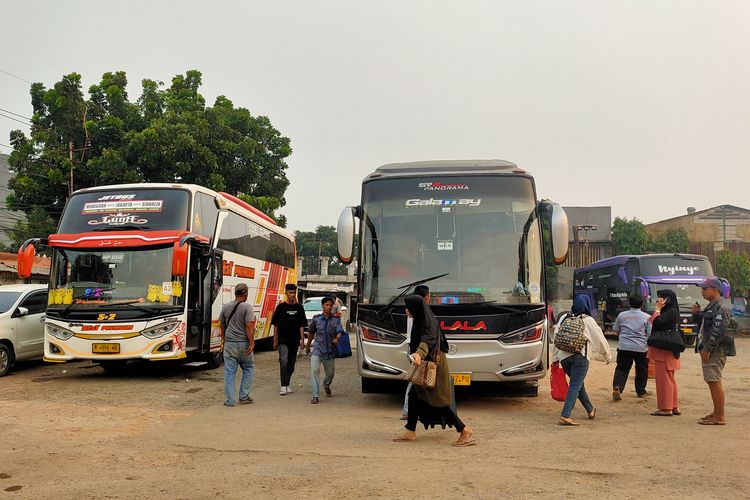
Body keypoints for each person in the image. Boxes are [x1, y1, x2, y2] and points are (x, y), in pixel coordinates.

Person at [393, 294, 476, 447]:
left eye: (408, 308)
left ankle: (464, 430)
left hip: (433, 367)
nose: (405, 310)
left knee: (440, 402)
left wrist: (418, 354)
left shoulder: (428, 323)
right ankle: (410, 431)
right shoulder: (420, 320)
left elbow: (427, 341)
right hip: (425, 364)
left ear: (415, 309)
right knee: (414, 395)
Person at [553, 294, 612, 426]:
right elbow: (599, 339)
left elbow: (557, 337)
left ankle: (590, 409)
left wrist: (555, 358)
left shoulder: (563, 317)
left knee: (578, 384)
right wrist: (607, 355)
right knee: (575, 385)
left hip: (564, 358)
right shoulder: (588, 320)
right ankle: (566, 414)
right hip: (581, 357)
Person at [696, 277, 735, 425]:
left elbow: (718, 331)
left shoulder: (720, 307)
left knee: (714, 381)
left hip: (715, 351)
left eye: (705, 288)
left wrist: (708, 348)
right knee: (711, 381)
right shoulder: (713, 306)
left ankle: (719, 416)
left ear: (715, 290)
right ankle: (717, 412)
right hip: (712, 350)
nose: (702, 291)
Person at [220, 283, 256, 407]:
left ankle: (230, 400)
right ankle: (244, 396)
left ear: (235, 293)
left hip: (229, 344)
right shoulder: (247, 308)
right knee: (248, 368)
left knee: (229, 372)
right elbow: (249, 326)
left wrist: (225, 340)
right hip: (244, 344)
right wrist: (251, 342)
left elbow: (222, 325)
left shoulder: (225, 307)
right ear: (245, 294)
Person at [647, 289, 682, 416]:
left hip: (664, 350)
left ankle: (666, 407)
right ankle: (673, 406)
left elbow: (657, 322)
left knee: (663, 380)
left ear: (667, 299)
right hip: (670, 349)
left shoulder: (669, 312)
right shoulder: (673, 311)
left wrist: (657, 309)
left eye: (661, 298)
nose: (659, 300)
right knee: (670, 379)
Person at [306, 296, 346, 404]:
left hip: (330, 350)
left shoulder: (336, 320)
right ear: (322, 306)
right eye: (326, 305)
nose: (328, 307)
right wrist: (308, 345)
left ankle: (326, 384)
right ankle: (315, 396)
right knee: (314, 371)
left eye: (330, 305)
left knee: (330, 374)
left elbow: (339, 331)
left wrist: (337, 338)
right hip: (318, 349)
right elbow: (311, 332)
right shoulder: (316, 319)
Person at [612, 294, 652, 400]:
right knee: (641, 369)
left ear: (629, 303)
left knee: (622, 368)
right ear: (642, 304)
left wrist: (623, 337)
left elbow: (616, 330)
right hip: (641, 348)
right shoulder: (647, 317)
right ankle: (641, 391)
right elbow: (649, 334)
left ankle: (617, 387)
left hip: (624, 347)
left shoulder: (622, 315)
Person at [271, 283, 307, 396]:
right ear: (286, 293)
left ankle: (287, 384)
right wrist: (275, 339)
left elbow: (302, 325)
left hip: (295, 340)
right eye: (290, 292)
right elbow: (275, 325)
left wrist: (302, 340)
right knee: (283, 360)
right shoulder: (281, 307)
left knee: (291, 364)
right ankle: (283, 385)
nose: (292, 294)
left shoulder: (299, 308)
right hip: (283, 339)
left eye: (294, 292)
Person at [401, 285, 430, 420]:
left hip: (416, 351)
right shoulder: (418, 313)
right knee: (414, 381)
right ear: (425, 298)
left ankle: (412, 412)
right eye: (429, 296)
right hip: (416, 352)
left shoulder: (417, 311)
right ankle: (407, 411)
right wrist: (418, 353)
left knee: (416, 381)